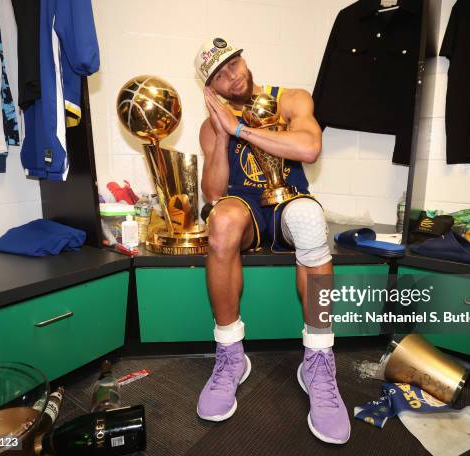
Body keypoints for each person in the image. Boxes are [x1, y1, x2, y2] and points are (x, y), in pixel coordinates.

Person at [193, 37, 350, 444]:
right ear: (211, 89)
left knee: (311, 219)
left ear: (244, 58)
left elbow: (310, 148)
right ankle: (230, 355)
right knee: (221, 222)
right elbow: (212, 193)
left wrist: (242, 126)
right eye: (220, 76)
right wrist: (224, 134)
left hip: (289, 202)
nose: (233, 76)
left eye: (234, 64)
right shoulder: (211, 128)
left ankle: (317, 360)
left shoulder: (292, 100)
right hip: (247, 213)